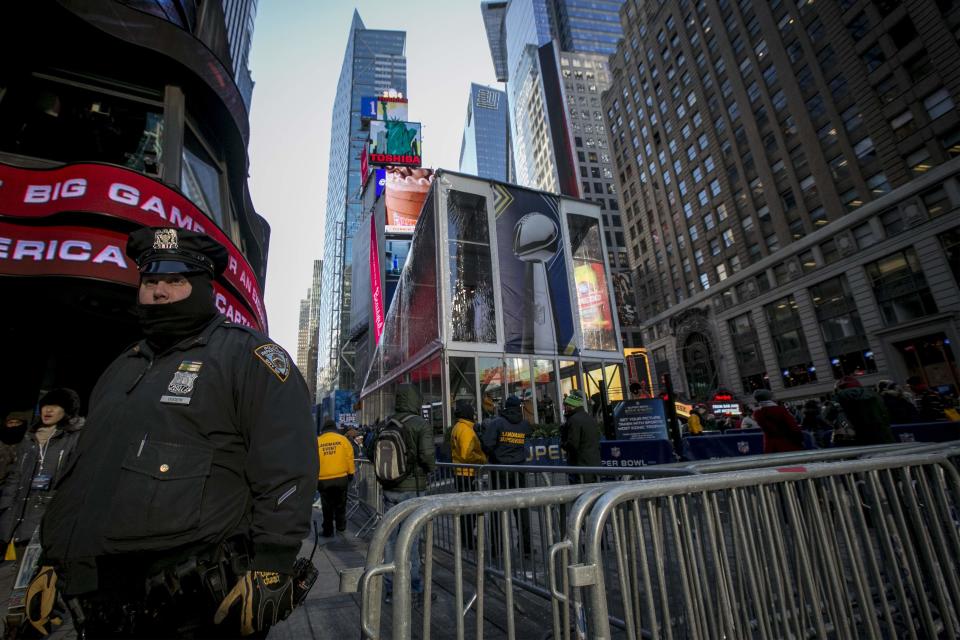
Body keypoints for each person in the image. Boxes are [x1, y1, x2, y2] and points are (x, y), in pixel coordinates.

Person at [37, 228, 318, 638]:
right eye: (150, 282)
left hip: (195, 604)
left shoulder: (250, 357)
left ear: (203, 287)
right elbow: (84, 473)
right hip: (102, 600)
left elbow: (288, 465)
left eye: (175, 281)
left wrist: (272, 564)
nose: (160, 292)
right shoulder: (122, 367)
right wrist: (51, 559)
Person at [0, 390, 83, 630]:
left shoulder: (72, 438)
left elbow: (74, 476)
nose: (48, 411)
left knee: (38, 571)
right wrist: (6, 512)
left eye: (55, 407)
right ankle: (41, 615)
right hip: (22, 514)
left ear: (66, 411)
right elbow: (15, 478)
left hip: (50, 512)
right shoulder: (29, 438)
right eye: (46, 406)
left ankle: (23, 621)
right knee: (24, 571)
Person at [379, 383, 435, 600]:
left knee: (390, 541)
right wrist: (431, 469)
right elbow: (428, 457)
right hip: (413, 488)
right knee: (411, 539)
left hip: (389, 488)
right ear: (415, 400)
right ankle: (413, 588)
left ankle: (391, 589)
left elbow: (370, 447)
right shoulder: (420, 424)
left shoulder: (387, 423)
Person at [480, 395, 532, 559]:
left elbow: (487, 445)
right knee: (521, 510)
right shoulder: (524, 424)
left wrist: (496, 454)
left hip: (500, 471)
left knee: (497, 509)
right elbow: (526, 444)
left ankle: (497, 548)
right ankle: (526, 547)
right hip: (519, 470)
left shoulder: (498, 423)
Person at [450, 399, 485, 550]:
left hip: (460, 472)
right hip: (467, 472)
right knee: (469, 509)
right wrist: (482, 458)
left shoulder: (458, 427)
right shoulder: (465, 430)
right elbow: (466, 454)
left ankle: (466, 537)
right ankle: (468, 539)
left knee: (465, 508)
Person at [316, 418, 355, 538]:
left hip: (323, 479)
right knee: (341, 504)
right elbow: (349, 457)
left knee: (326, 507)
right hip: (341, 478)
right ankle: (341, 526)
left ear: (323, 430)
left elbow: (312, 460)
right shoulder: (343, 440)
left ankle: (328, 531)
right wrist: (351, 473)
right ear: (335, 429)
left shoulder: (317, 441)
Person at [835, 376, 895, 446]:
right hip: (882, 436)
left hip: (857, 441)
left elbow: (835, 417)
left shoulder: (839, 397)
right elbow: (885, 414)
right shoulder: (873, 394)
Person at [559, 390, 601, 484]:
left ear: (571, 406)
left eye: (566, 406)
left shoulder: (573, 420)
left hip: (580, 465)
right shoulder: (589, 418)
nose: (564, 408)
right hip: (594, 464)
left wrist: (562, 443)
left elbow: (573, 444)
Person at [752, 389, 804, 453]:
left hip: (770, 444)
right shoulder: (780, 410)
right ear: (769, 398)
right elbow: (793, 426)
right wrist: (800, 438)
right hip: (787, 443)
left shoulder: (757, 413)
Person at [0, 411, 31, 484]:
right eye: (10, 423)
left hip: (16, 483)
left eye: (17, 422)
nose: (14, 425)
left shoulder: (29, 441)